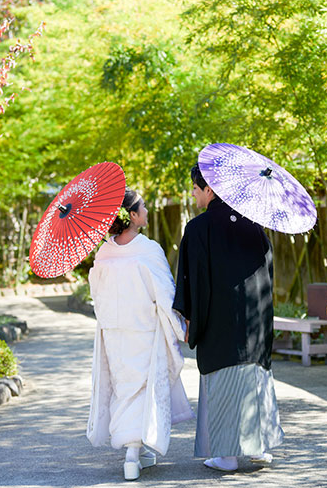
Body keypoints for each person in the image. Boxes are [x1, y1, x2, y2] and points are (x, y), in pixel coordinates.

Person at [173, 163, 284, 472]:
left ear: (209, 190)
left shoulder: (198, 228)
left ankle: (227, 455)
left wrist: (191, 318)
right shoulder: (253, 225)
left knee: (223, 382)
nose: (193, 193)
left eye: (196, 188)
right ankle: (259, 448)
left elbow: (193, 278)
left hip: (220, 321)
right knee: (254, 378)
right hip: (253, 320)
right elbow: (267, 274)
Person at [87, 187, 194, 481]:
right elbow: (165, 293)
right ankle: (133, 454)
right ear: (133, 216)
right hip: (144, 329)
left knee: (125, 388)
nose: (147, 211)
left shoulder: (104, 252)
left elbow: (97, 293)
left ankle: (136, 451)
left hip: (115, 331)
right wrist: (180, 325)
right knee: (143, 389)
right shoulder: (148, 249)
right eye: (143, 207)